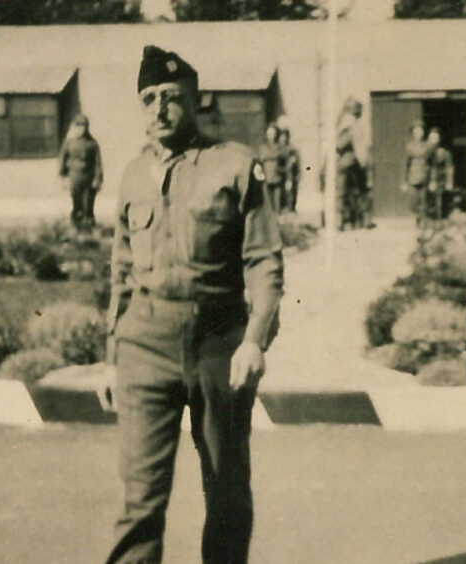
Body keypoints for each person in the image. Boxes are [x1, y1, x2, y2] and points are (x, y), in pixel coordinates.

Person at [105, 45, 283, 564]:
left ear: (195, 100)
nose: (158, 109)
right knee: (139, 499)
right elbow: (120, 273)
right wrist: (111, 354)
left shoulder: (235, 165)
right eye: (148, 99)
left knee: (225, 491)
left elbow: (265, 262)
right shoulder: (132, 175)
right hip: (145, 345)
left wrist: (255, 341)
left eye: (171, 98)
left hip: (218, 346)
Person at [59, 114, 104, 232]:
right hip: (74, 176)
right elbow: (62, 159)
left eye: (84, 126)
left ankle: (88, 229)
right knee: (76, 202)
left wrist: (97, 179)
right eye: (78, 126)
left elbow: (98, 163)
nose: (81, 129)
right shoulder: (69, 142)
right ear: (74, 127)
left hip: (89, 177)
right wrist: (63, 177)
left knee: (88, 204)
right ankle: (76, 226)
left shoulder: (92, 143)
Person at [336, 98, 369, 229]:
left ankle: (345, 221)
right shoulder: (351, 125)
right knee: (350, 192)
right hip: (354, 162)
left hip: (349, 162)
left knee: (344, 192)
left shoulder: (349, 125)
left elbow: (339, 145)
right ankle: (352, 220)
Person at [402, 121, 435, 226]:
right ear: (413, 133)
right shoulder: (409, 146)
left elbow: (433, 164)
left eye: (420, 130)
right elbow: (405, 164)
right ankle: (417, 217)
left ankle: (423, 222)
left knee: (424, 201)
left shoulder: (428, 146)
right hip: (413, 178)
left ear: (423, 132)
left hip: (425, 177)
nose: (418, 133)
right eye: (416, 131)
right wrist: (404, 181)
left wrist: (433, 180)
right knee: (413, 202)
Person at [427, 127, 457, 219]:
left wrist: (449, 182)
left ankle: (439, 219)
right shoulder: (425, 151)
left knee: (439, 202)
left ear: (439, 139)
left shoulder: (444, 153)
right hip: (425, 178)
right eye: (432, 138)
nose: (434, 140)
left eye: (436, 138)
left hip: (439, 179)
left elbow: (449, 168)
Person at [257, 124, 288, 213]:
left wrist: (269, 157)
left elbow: (283, 155)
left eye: (273, 133)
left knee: (277, 202)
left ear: (276, 134)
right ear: (266, 134)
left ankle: (277, 219)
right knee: (268, 203)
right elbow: (262, 157)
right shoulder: (263, 146)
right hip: (266, 177)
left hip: (277, 176)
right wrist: (274, 156)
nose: (271, 136)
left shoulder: (279, 146)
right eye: (269, 133)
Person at [277, 126, 301, 213]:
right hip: (280, 175)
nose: (282, 139)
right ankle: (284, 209)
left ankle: (291, 209)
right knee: (282, 194)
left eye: (284, 137)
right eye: (281, 137)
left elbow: (295, 163)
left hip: (290, 174)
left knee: (291, 192)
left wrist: (297, 174)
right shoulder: (277, 149)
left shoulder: (292, 149)